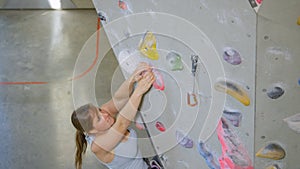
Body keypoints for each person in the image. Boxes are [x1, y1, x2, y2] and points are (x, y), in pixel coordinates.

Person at [71, 62, 157, 169]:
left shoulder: (104, 116)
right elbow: (121, 124)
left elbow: (119, 99)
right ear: (92, 131)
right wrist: (139, 91)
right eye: (98, 118)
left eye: (99, 110)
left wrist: (133, 78)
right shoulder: (98, 146)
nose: (104, 114)